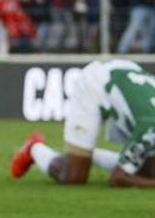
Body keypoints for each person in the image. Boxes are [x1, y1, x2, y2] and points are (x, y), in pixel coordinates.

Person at [11, 59, 155, 188]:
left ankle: (90, 155)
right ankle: (34, 148)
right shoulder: (150, 126)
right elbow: (118, 179)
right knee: (73, 176)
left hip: (125, 80)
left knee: (147, 171)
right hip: (95, 83)